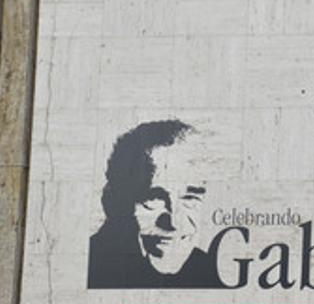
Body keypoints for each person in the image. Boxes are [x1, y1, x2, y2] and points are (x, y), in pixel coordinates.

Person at [87, 119, 221, 289]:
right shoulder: (92, 266)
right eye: (153, 199)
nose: (173, 223)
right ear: (114, 202)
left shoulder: (208, 272)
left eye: (190, 198)